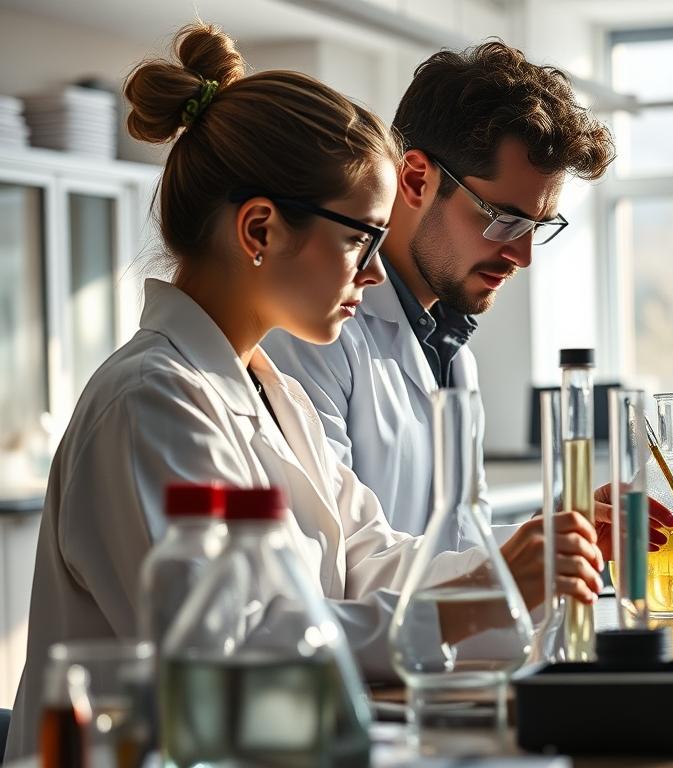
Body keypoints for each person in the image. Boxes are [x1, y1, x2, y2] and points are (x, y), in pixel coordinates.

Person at [4, 25, 603, 760]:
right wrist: (474, 599)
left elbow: (367, 558)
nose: (378, 273)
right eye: (361, 241)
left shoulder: (268, 389)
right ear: (260, 228)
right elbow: (235, 652)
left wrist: (511, 574)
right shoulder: (148, 403)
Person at [261, 41, 673, 558]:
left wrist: (546, 539)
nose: (522, 255)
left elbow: (454, 547)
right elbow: (336, 562)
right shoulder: (313, 336)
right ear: (416, 178)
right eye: (504, 219)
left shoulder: (454, 354)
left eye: (537, 228)